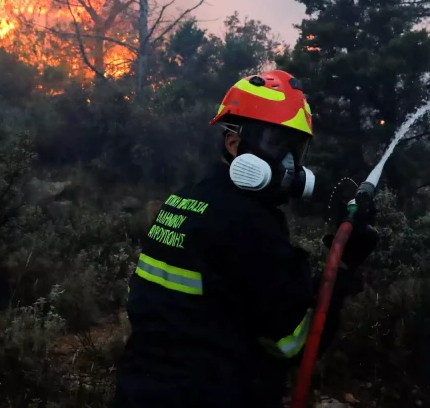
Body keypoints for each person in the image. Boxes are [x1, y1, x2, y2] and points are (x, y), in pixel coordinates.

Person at [113, 69, 378, 408]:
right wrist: (342, 269)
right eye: (274, 143)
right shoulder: (251, 223)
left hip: (139, 391)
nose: (288, 162)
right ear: (234, 142)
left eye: (294, 148)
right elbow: (293, 343)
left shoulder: (185, 198)